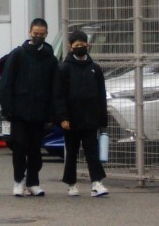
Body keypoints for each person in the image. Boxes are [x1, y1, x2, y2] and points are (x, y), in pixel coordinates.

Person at [0, 18, 59, 197]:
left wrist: (52, 113)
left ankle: (33, 182)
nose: (38, 36)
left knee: (35, 148)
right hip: (19, 111)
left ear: (46, 34)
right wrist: (7, 108)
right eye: (35, 33)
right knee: (19, 145)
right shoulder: (18, 54)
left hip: (40, 111)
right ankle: (19, 180)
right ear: (29, 32)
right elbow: (6, 82)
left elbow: (55, 87)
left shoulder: (50, 58)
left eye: (42, 34)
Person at [54, 30, 109, 197]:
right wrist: (63, 117)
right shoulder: (64, 68)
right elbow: (59, 95)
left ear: (88, 45)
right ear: (70, 47)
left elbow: (101, 94)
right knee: (71, 152)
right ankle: (71, 183)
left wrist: (102, 118)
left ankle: (97, 183)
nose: (80, 47)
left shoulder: (95, 68)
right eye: (76, 45)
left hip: (90, 117)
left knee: (92, 151)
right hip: (72, 119)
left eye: (82, 44)